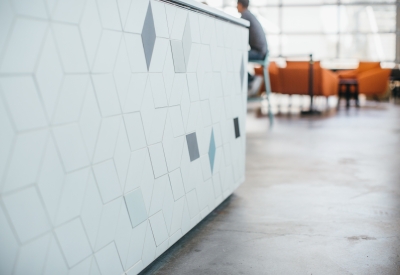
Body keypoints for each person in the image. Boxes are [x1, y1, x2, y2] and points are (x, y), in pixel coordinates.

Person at [237, 0, 268, 96]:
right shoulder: (250, 15)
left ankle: (251, 79)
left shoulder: (245, 16)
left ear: (240, 5)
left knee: (237, 57)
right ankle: (250, 79)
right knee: (238, 56)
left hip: (259, 52)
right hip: (262, 51)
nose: (236, 7)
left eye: (237, 5)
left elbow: (240, 37)